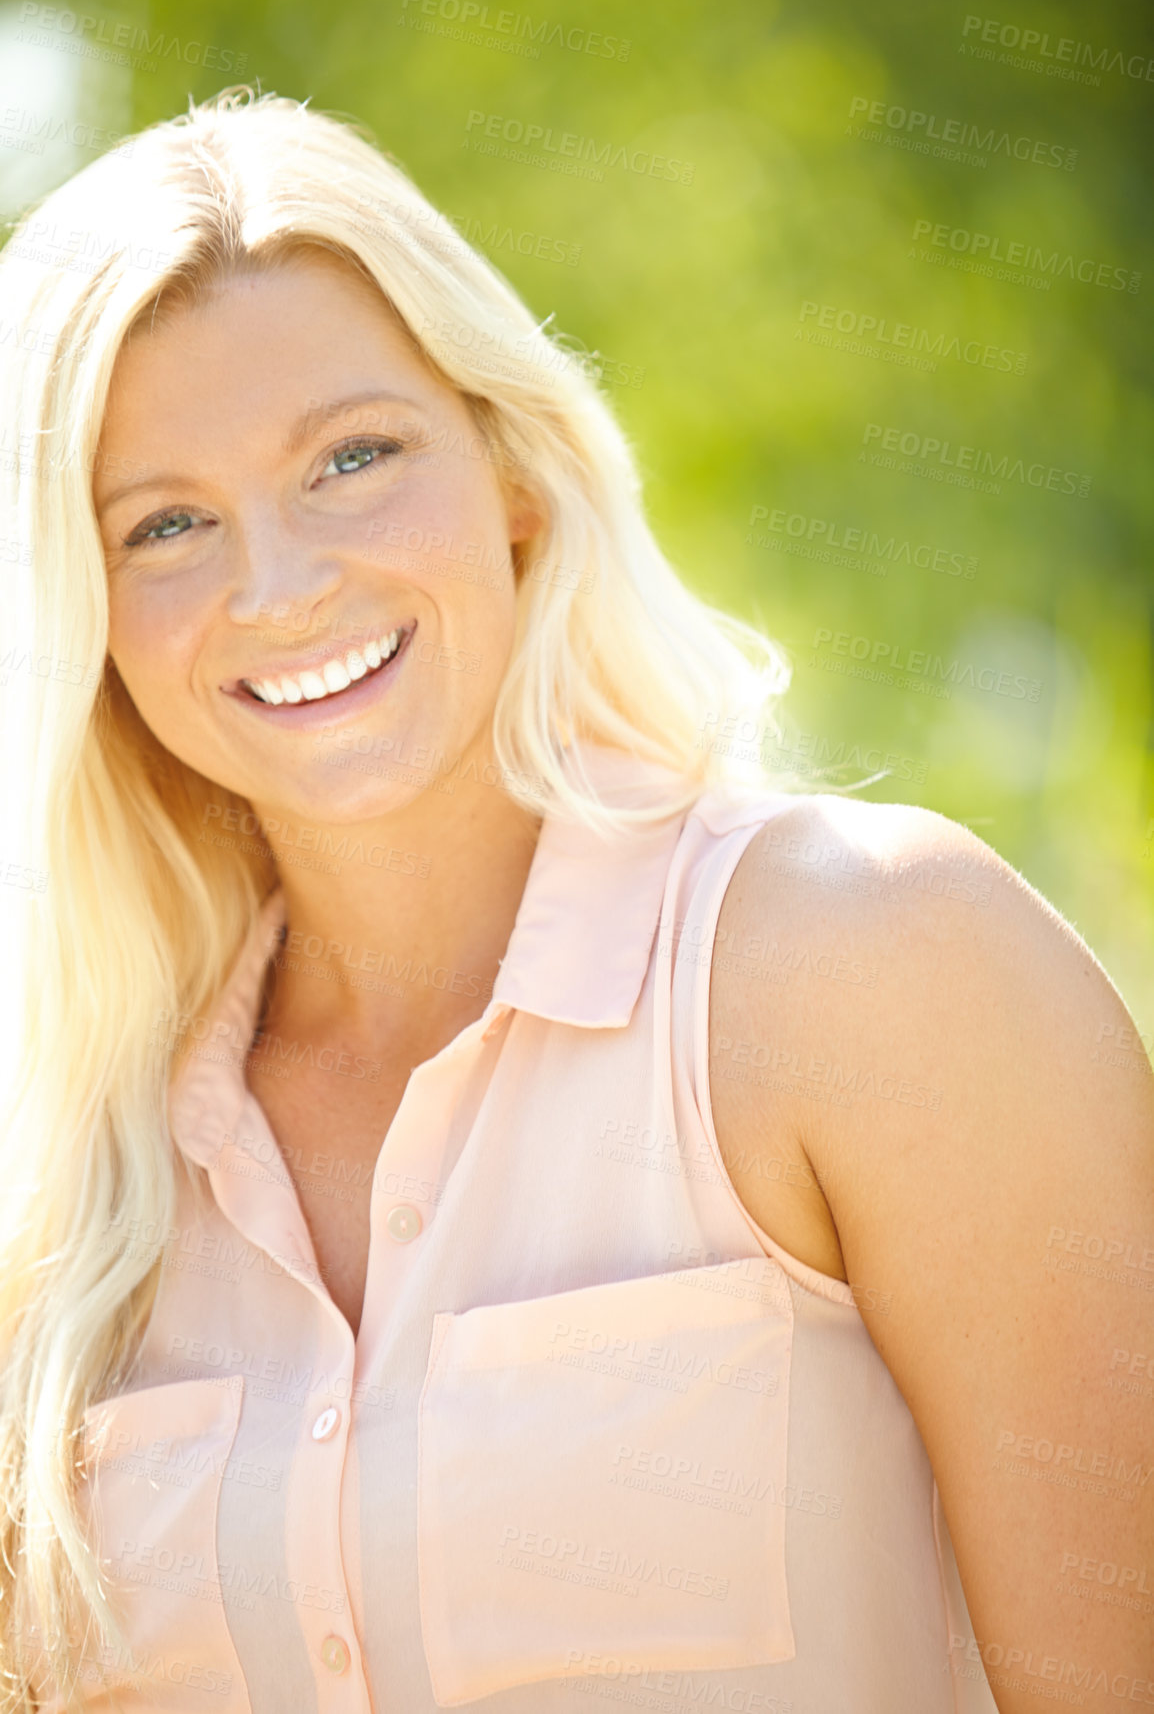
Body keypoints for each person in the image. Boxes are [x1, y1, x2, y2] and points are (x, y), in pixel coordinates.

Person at [0, 89, 1149, 1714]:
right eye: (167, 523)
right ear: (90, 612)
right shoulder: (57, 1196)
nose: (277, 584)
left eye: (351, 457)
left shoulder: (868, 969)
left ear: (512, 472)